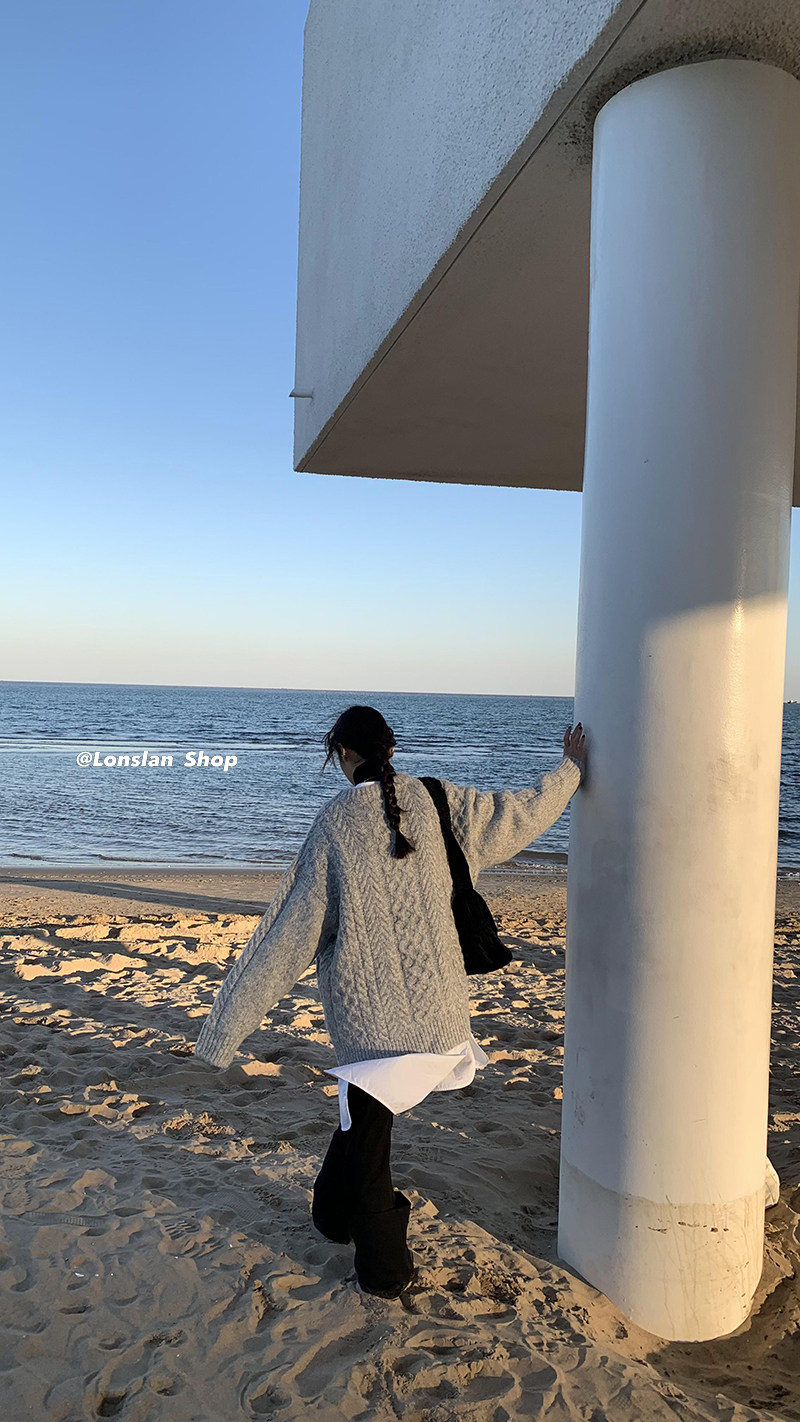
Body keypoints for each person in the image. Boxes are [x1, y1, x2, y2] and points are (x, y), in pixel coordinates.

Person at [194, 705, 587, 1298]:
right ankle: (331, 1215)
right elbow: (518, 814)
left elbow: (287, 936)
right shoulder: (438, 800)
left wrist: (223, 1031)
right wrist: (570, 771)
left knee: (369, 1141)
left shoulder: (335, 823)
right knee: (363, 1122)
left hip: (371, 1025)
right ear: (392, 750)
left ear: (342, 754)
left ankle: (384, 1271)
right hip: (440, 1012)